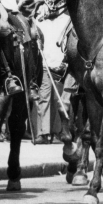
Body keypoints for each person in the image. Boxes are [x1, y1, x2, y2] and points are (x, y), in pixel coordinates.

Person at [35, 10, 70, 144]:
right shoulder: (40, 20)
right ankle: (44, 133)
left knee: (59, 99)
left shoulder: (67, 20)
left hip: (61, 66)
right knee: (44, 97)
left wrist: (64, 63)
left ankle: (57, 132)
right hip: (44, 64)